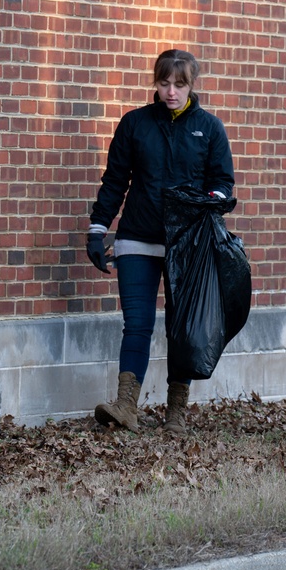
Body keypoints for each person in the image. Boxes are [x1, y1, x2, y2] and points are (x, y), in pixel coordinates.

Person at [87, 49, 235, 434]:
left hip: (187, 245)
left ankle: (176, 413)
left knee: (181, 328)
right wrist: (98, 229)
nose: (171, 91)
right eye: (164, 83)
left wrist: (212, 201)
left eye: (179, 84)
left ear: (191, 85)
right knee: (136, 324)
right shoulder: (135, 124)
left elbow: (222, 183)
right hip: (137, 237)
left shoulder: (209, 127)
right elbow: (115, 181)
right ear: (156, 82)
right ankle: (126, 406)